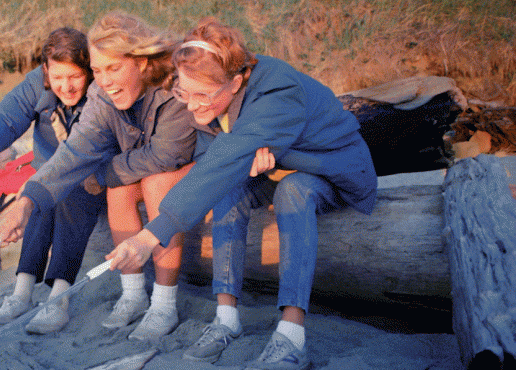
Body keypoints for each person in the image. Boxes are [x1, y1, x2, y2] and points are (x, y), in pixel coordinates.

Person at [105, 17, 377, 370]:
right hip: (274, 166)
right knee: (228, 188)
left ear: (235, 82)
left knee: (292, 190)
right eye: (183, 93)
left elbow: (227, 157)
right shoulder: (210, 100)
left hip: (330, 168)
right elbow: (215, 161)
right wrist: (253, 155)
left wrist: (150, 235)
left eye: (202, 95)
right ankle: (226, 318)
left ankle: (291, 335)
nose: (191, 105)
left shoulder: (279, 89)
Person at [0, 12, 271, 341]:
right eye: (97, 71)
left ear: (140, 62)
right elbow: (75, 150)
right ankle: (134, 293)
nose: (104, 80)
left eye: (113, 68)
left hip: (211, 160)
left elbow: (170, 155)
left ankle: (164, 304)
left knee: (156, 184)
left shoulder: (173, 83)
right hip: (156, 163)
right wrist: (25, 202)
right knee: (119, 189)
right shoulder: (102, 95)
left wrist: (100, 173)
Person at [0, 27, 104, 334]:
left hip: (91, 171)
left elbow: (85, 153)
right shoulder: (37, 84)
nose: (66, 86)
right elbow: (4, 119)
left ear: (88, 71)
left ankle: (59, 298)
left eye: (75, 76)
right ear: (46, 71)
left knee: (69, 192)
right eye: (58, 77)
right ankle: (22, 291)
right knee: (35, 194)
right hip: (48, 170)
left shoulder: (100, 92)